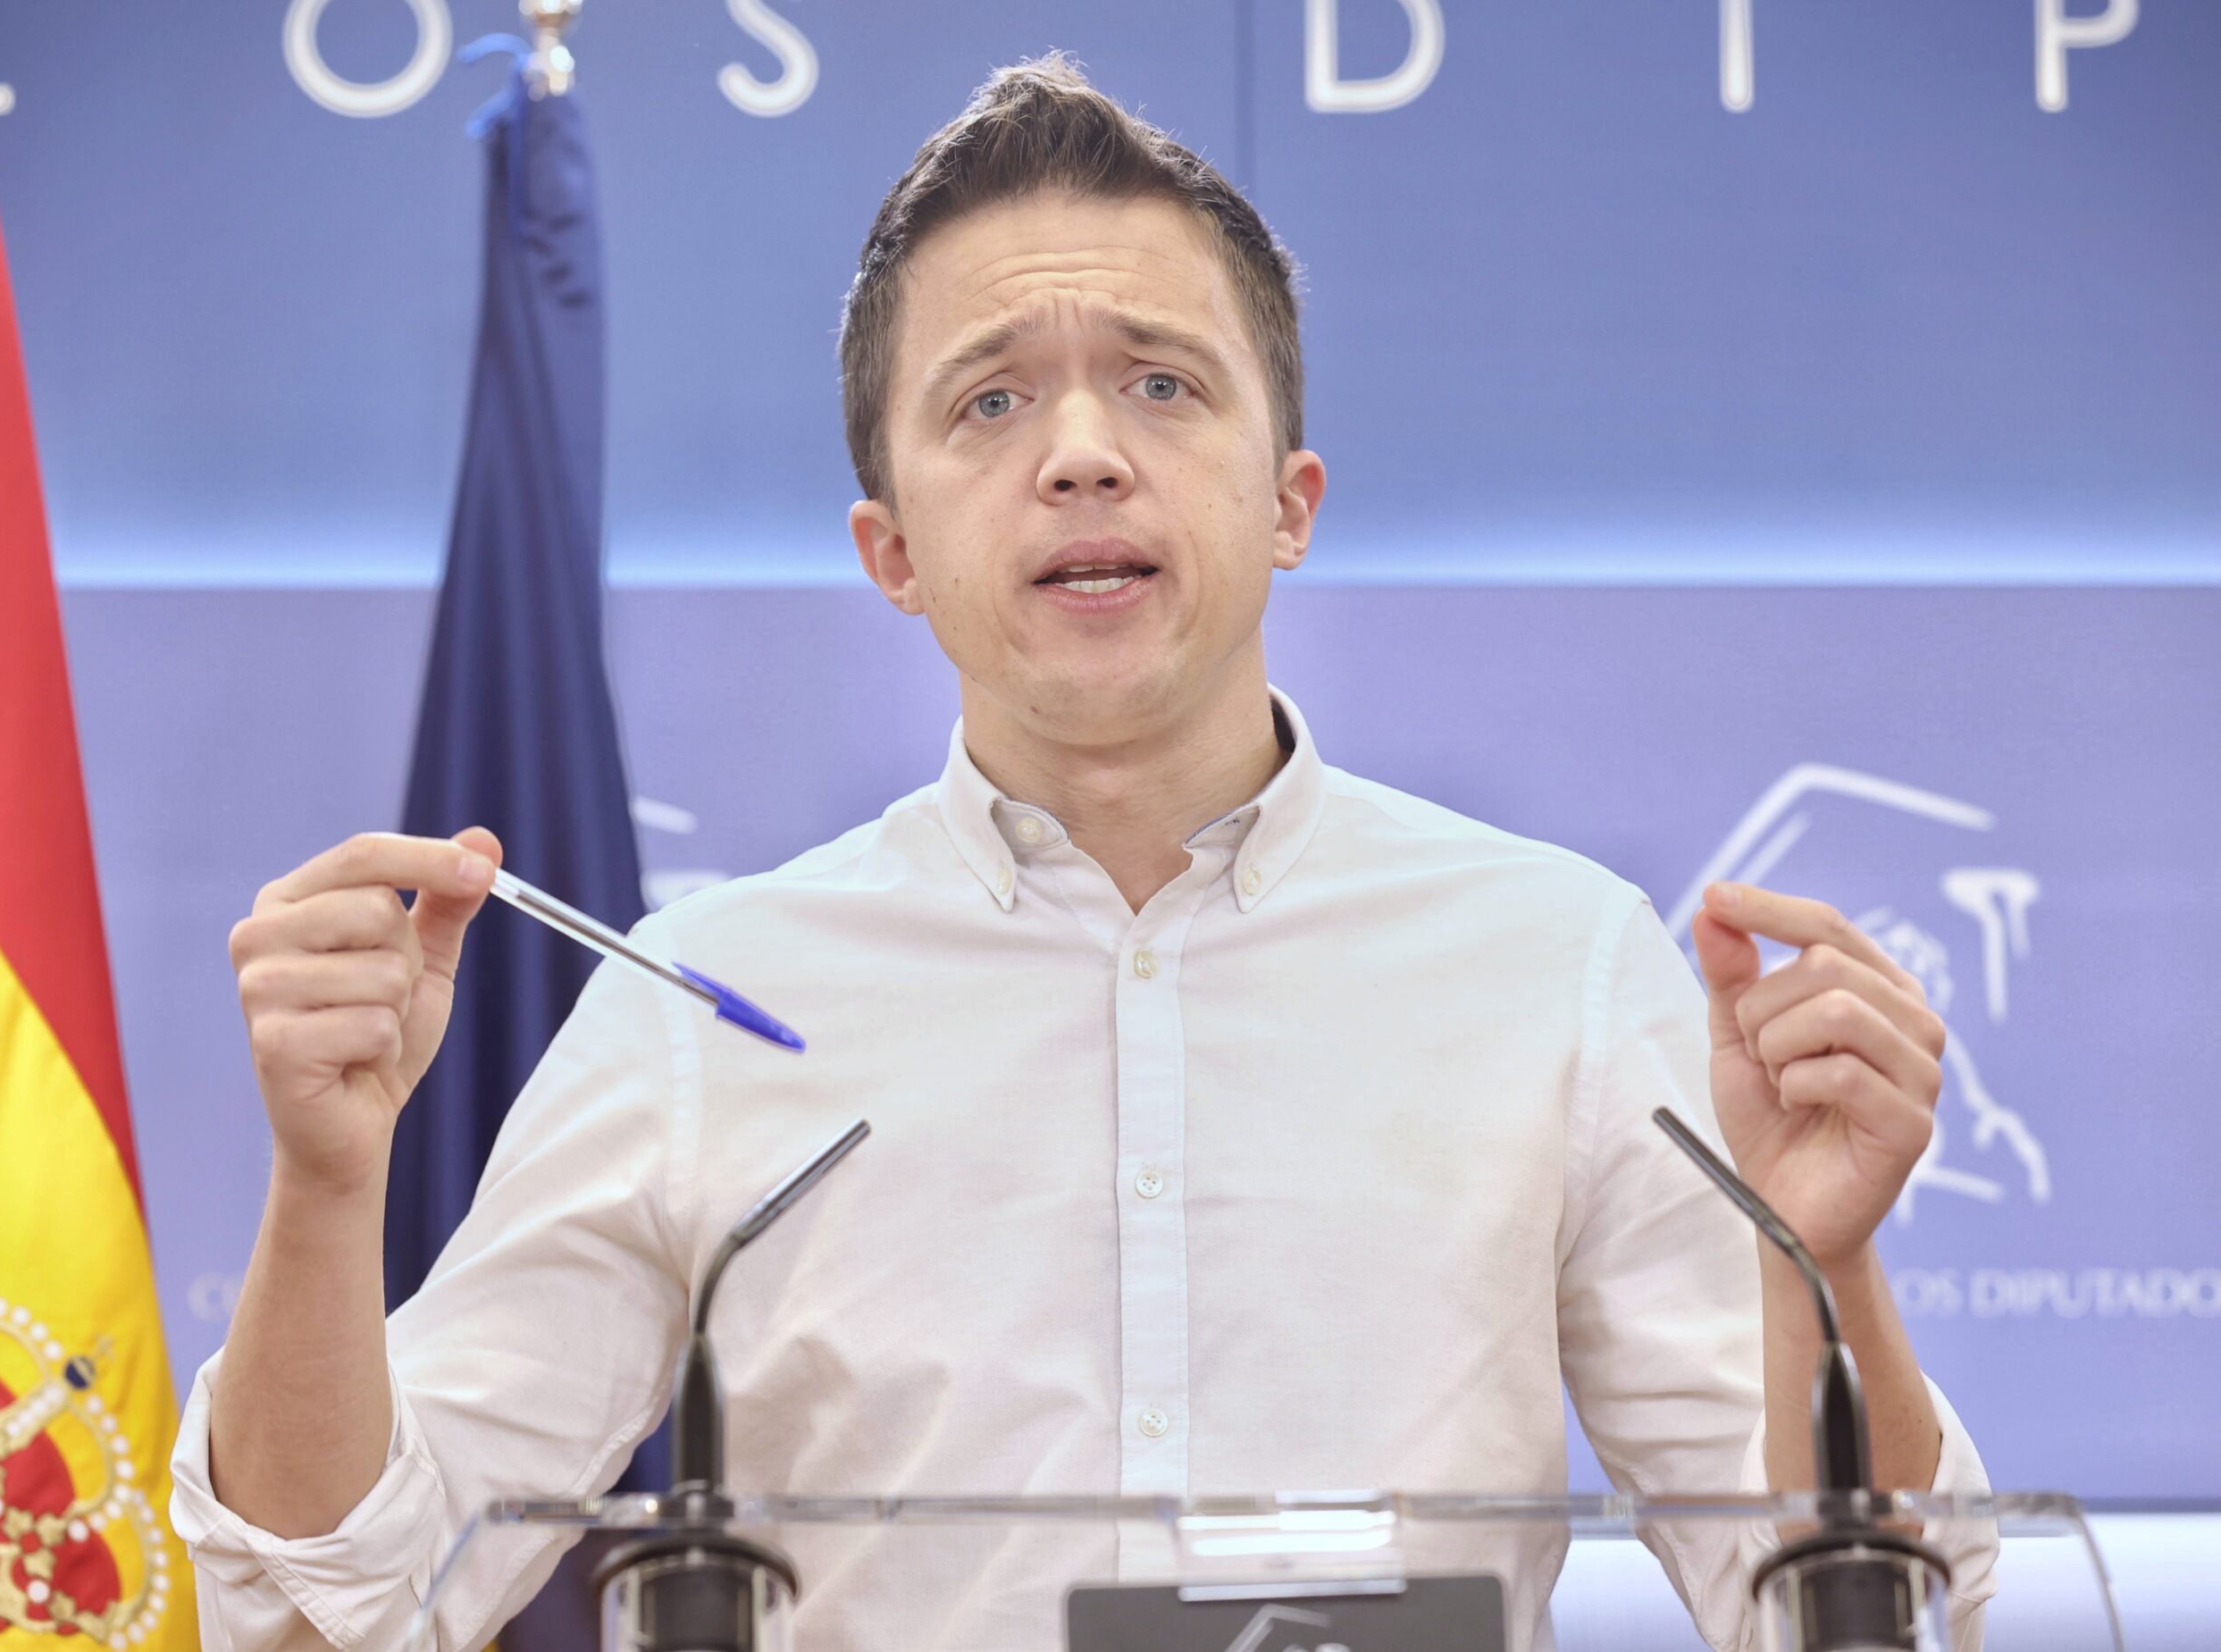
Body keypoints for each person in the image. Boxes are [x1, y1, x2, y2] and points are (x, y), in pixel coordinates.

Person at [171, 54, 1991, 1652]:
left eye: (1162, 385)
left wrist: (1820, 1269)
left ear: (1288, 502)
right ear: (890, 550)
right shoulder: (707, 1002)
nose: (1081, 456)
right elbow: (336, 1609)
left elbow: (1848, 1613)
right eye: (988, 401)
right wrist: (327, 1189)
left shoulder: (1553, 964)